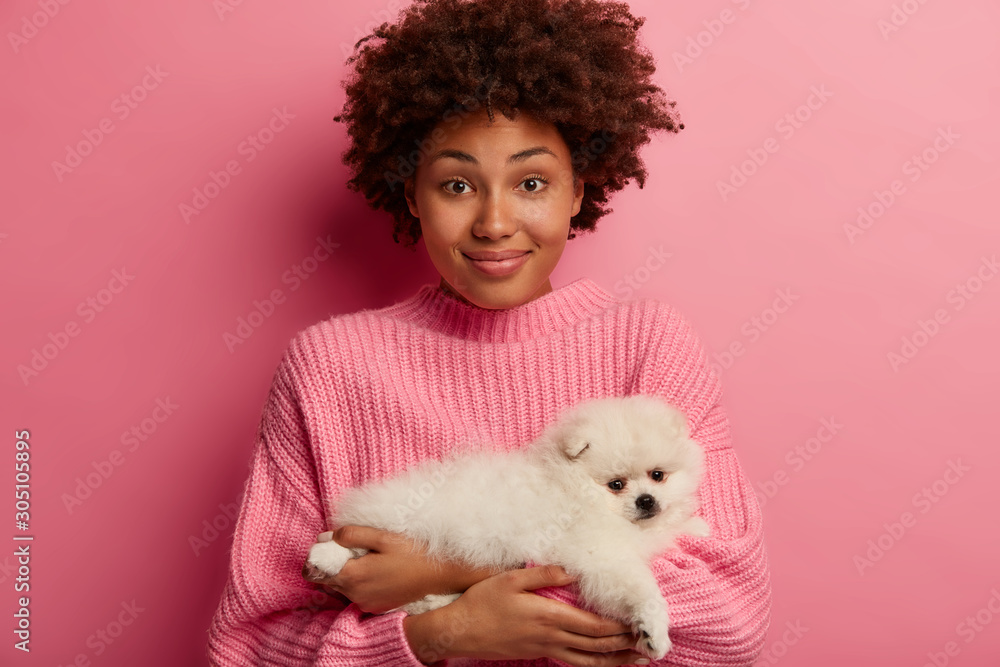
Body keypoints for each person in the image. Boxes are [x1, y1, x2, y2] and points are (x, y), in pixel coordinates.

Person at [205, 0, 771, 665]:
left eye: (531, 181)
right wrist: (439, 634)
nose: (495, 223)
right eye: (456, 185)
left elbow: (729, 626)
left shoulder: (648, 347)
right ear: (412, 194)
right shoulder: (331, 367)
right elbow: (248, 647)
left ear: (578, 189)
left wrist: (446, 570)